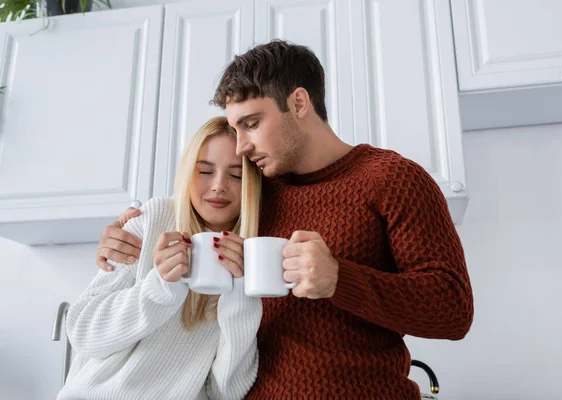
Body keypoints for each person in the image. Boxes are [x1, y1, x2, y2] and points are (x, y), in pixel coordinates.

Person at [96, 40, 474, 399]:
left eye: (252, 123)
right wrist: (130, 230)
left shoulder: (393, 179)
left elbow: (452, 311)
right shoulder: (252, 191)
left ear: (298, 102)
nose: (241, 146)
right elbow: (189, 210)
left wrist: (340, 279)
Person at [59, 117, 262, 400]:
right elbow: (83, 332)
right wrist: (160, 287)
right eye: (204, 171)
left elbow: (226, 392)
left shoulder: (255, 255)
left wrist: (240, 292)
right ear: (187, 172)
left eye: (236, 175)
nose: (218, 186)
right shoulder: (155, 218)